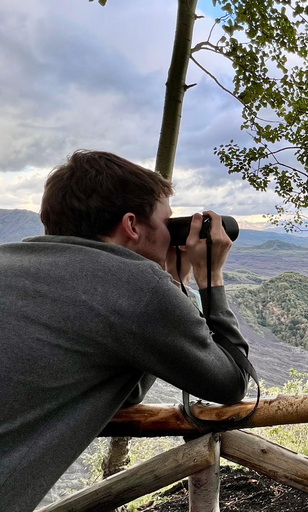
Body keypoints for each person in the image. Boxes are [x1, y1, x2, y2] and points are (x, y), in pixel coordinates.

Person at [0, 150, 250, 512]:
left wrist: (171, 285)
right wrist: (208, 278)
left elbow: (122, 388)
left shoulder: (8, 258)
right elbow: (232, 382)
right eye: (168, 223)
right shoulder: (138, 286)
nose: (172, 235)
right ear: (132, 226)